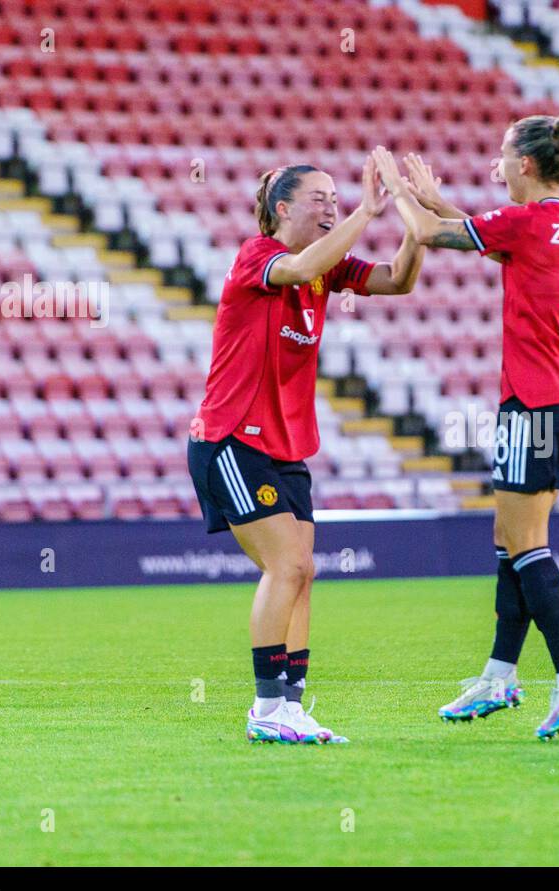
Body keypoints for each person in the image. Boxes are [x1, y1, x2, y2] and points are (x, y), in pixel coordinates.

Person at [370, 115, 559, 740]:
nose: (496, 167)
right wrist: (432, 200)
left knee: (527, 544)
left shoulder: (525, 223)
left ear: (525, 165)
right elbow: (492, 238)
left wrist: (397, 190)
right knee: (509, 537)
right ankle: (500, 675)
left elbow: (427, 234)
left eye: (502, 156)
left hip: (536, 402)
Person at [187, 157, 424, 744]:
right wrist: (368, 212)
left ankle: (289, 706)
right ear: (283, 208)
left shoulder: (328, 267)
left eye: (336, 196)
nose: (331, 204)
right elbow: (298, 267)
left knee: (304, 573)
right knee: (286, 565)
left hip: (286, 449)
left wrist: (414, 221)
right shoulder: (258, 255)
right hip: (233, 440)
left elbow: (398, 279)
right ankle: (266, 709)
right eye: (318, 197)